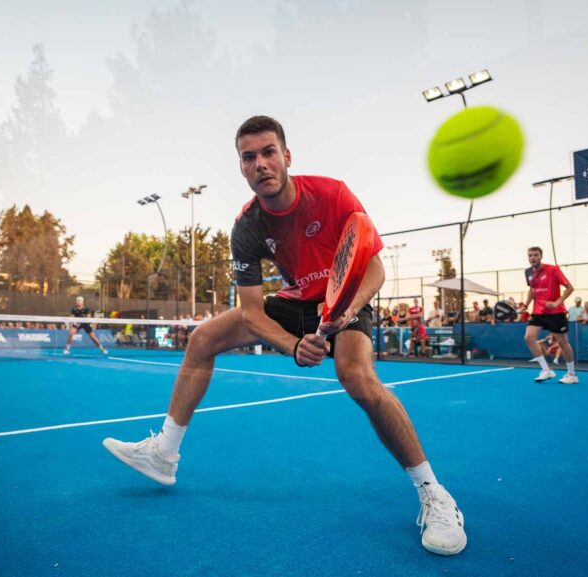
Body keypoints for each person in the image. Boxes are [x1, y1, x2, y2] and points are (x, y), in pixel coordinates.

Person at [102, 116, 467, 556]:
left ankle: (433, 493)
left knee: (356, 376)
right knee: (202, 340)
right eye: (249, 157)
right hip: (295, 302)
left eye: (268, 152)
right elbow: (251, 312)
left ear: (287, 156)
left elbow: (374, 266)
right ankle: (164, 454)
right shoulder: (247, 226)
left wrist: (346, 310)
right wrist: (294, 346)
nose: (260, 163)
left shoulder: (332, 194)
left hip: (347, 298)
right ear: (241, 168)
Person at [522, 246, 579, 384]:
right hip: (538, 312)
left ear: (541, 256)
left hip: (555, 312)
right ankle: (546, 370)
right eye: (530, 255)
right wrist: (526, 305)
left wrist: (557, 302)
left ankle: (572, 375)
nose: (532, 258)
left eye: (535, 255)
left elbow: (570, 287)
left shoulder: (553, 270)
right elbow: (532, 289)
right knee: (529, 338)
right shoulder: (528, 272)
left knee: (562, 341)